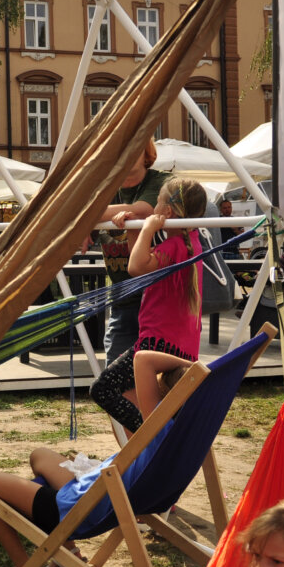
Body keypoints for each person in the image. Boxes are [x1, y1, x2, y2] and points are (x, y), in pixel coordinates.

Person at [90, 178, 206, 434]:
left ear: (167, 211)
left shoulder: (173, 246)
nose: (154, 208)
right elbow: (142, 265)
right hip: (180, 345)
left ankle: (150, 434)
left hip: (157, 343)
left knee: (103, 389)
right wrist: (133, 229)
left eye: (158, 203)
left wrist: (148, 228)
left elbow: (134, 267)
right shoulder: (189, 243)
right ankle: (152, 433)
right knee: (127, 390)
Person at [92, 140, 171, 364]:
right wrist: (86, 226)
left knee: (159, 373)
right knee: (114, 372)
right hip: (123, 299)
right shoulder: (106, 188)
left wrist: (91, 215)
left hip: (160, 299)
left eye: (133, 149)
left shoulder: (162, 181)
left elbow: (145, 210)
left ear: (146, 154)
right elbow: (82, 220)